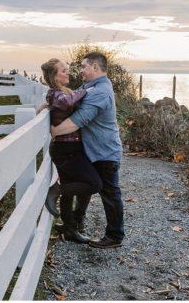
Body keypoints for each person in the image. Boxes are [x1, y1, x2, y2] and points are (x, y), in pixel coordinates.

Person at [51, 52, 125, 249]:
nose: (80, 70)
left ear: (94, 67)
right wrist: (45, 104)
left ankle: (115, 236)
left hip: (105, 151)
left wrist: (55, 131)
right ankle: (75, 222)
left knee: (109, 193)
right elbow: (68, 98)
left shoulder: (100, 91)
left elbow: (78, 120)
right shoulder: (89, 86)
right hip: (92, 150)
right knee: (85, 187)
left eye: (83, 67)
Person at [41, 58, 102, 243]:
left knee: (72, 188)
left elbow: (68, 99)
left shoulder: (62, 92)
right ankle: (56, 190)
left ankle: (69, 229)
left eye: (67, 70)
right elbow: (67, 103)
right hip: (65, 148)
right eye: (63, 71)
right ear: (54, 76)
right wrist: (86, 90)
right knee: (95, 184)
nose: (68, 73)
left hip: (70, 147)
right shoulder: (55, 94)